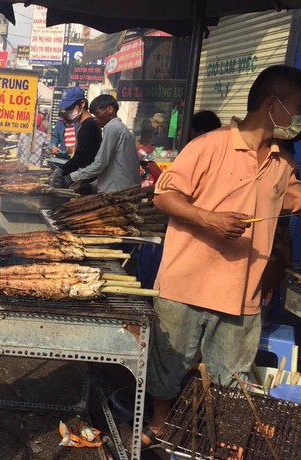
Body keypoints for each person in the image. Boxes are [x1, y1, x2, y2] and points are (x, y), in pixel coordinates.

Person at [143, 65, 301, 449]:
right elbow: (164, 195)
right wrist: (208, 219)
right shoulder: (209, 145)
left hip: (242, 290)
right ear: (272, 104)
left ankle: (222, 436)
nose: (298, 119)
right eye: (297, 108)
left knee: (233, 372)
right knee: (170, 361)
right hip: (187, 281)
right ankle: (160, 423)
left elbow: (294, 202)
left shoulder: (282, 162)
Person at [57, 95, 141, 193]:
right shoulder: (121, 128)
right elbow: (113, 169)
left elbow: (100, 164)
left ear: (110, 109)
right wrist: (92, 186)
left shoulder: (112, 127)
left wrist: (70, 177)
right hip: (124, 187)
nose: (95, 119)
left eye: (97, 114)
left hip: (118, 191)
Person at [49, 90, 102, 192]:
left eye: (70, 108)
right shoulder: (83, 124)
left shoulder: (88, 125)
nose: (67, 112)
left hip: (87, 178)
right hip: (84, 176)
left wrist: (61, 171)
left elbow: (81, 157)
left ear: (82, 104)